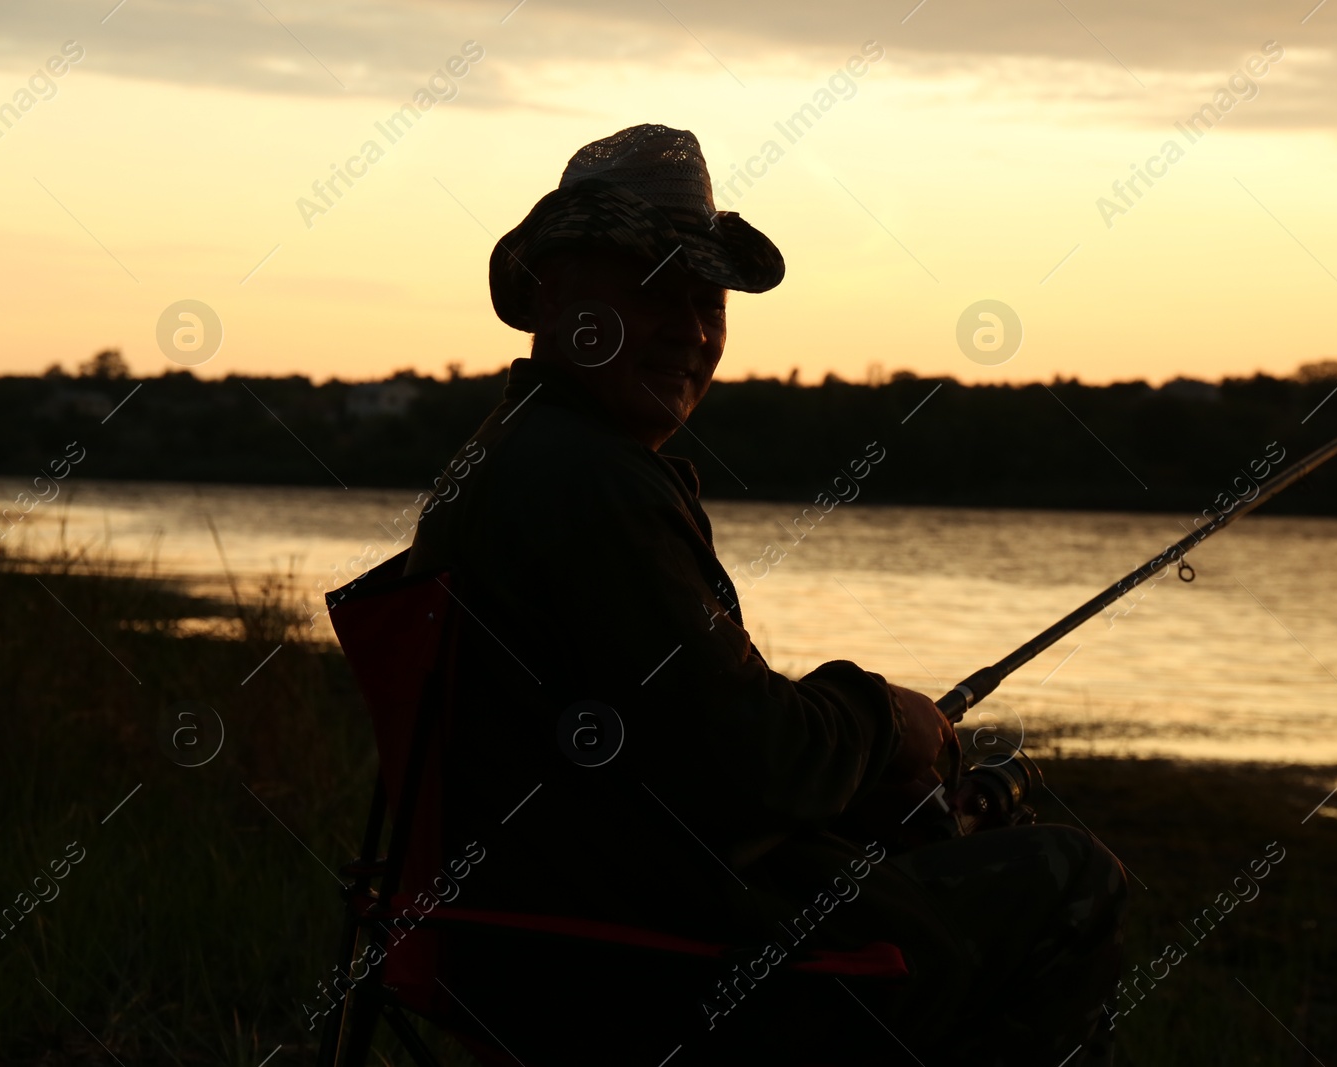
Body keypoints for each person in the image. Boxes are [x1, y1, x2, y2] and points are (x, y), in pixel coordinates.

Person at [405, 124, 1127, 1066]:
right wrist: (887, 721)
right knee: (1073, 879)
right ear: (550, 287)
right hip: (645, 976)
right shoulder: (589, 483)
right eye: (652, 285)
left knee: (911, 833)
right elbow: (752, 766)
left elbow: (686, 741)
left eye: (708, 298)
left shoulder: (518, 455)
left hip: (545, 941)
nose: (691, 328)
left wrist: (853, 785)